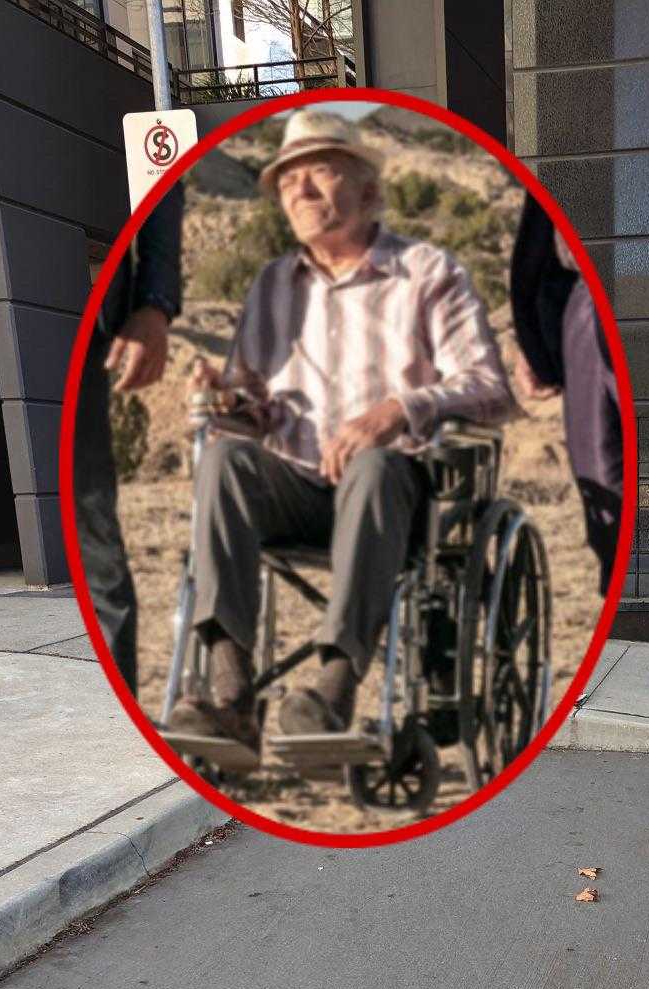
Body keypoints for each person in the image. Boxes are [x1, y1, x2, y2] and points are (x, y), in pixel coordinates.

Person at [164, 107, 512, 771]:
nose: (300, 189)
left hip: (395, 495)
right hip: (295, 483)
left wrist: (399, 408)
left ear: (370, 191)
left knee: (376, 465)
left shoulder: (427, 273)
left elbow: (489, 385)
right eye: (288, 179)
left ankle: (329, 695)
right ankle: (232, 698)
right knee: (226, 461)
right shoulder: (272, 286)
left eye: (319, 172)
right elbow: (254, 409)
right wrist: (228, 395)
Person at [74, 185, 183, 693]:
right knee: (106, 559)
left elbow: (165, 207)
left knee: (118, 552)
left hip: (110, 343)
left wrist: (155, 305)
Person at [510, 195, 622, 596]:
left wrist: (535, 343)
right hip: (588, 296)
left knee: (606, 468)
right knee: (603, 473)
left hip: (601, 294)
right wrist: (534, 344)